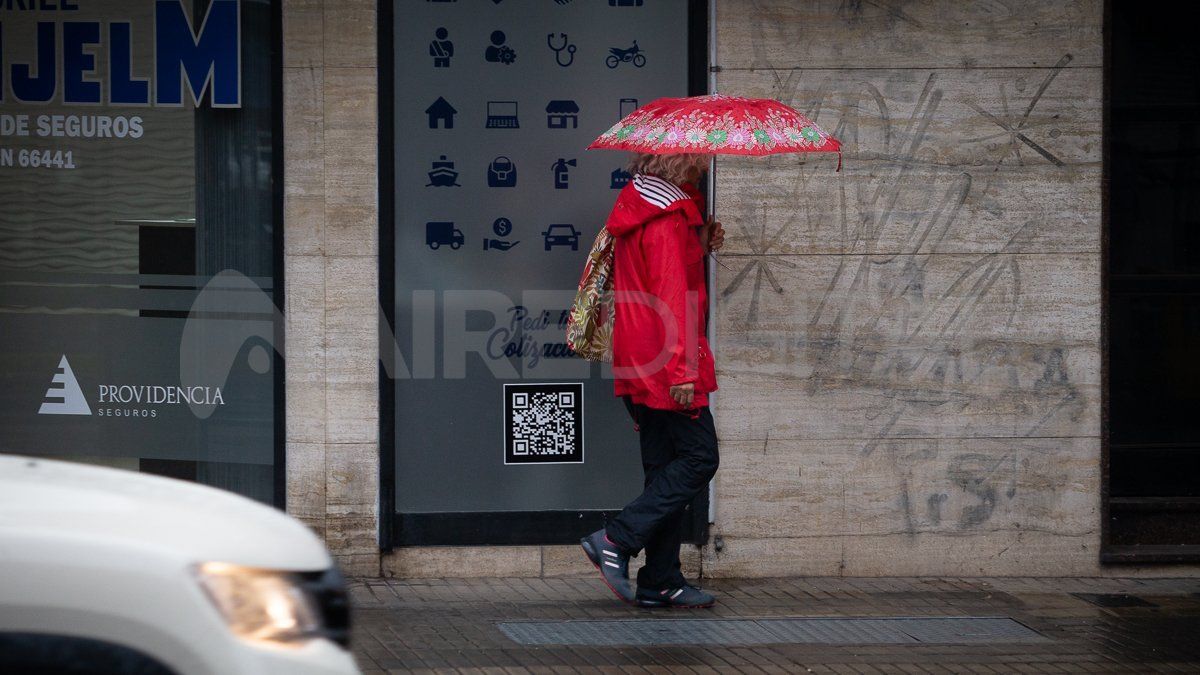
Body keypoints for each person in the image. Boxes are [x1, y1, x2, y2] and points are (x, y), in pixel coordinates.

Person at [580, 152, 725, 608]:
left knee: (664, 468)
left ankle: (660, 579)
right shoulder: (666, 217)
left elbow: (651, 275)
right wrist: (683, 371)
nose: (703, 168)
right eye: (698, 162)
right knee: (700, 458)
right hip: (666, 363)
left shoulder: (645, 206)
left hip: (640, 355)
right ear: (679, 164)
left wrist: (697, 242)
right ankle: (616, 539)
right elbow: (671, 293)